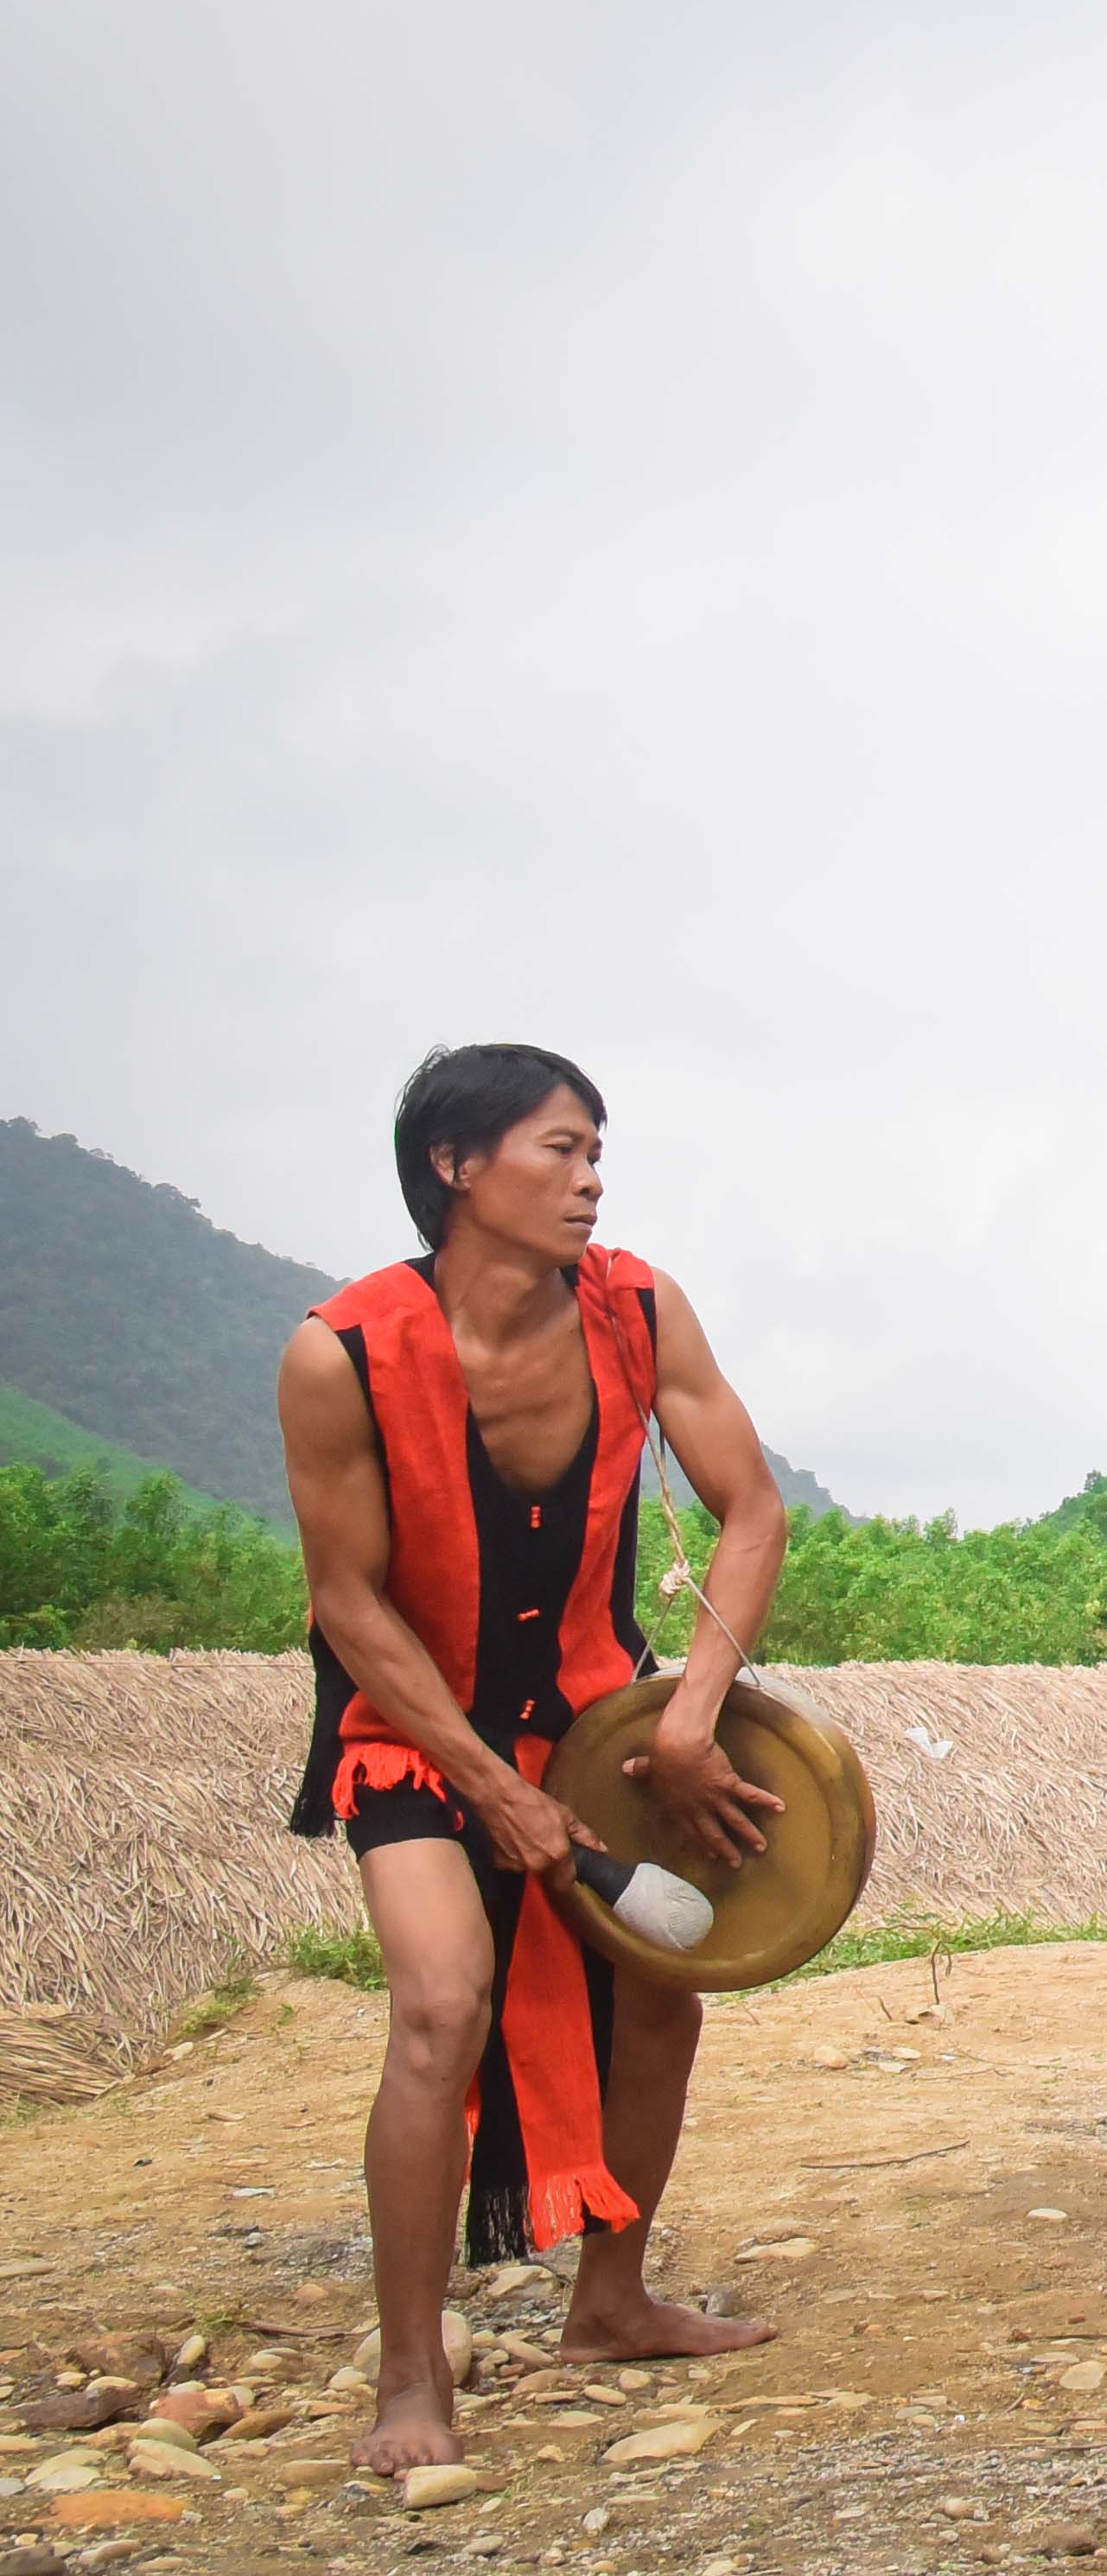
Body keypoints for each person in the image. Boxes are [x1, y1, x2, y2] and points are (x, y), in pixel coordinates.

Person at [277, 1046, 796, 2474]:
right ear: (457, 1167)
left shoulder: (636, 1310)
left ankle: (612, 2302)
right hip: (410, 1730)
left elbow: (751, 1513)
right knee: (442, 2004)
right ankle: (408, 2382)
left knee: (663, 1997)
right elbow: (346, 1603)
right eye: (561, 1150)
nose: (592, 1179)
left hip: (594, 1718)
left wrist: (689, 1713)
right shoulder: (342, 1352)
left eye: (596, 1152)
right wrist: (489, 1788)